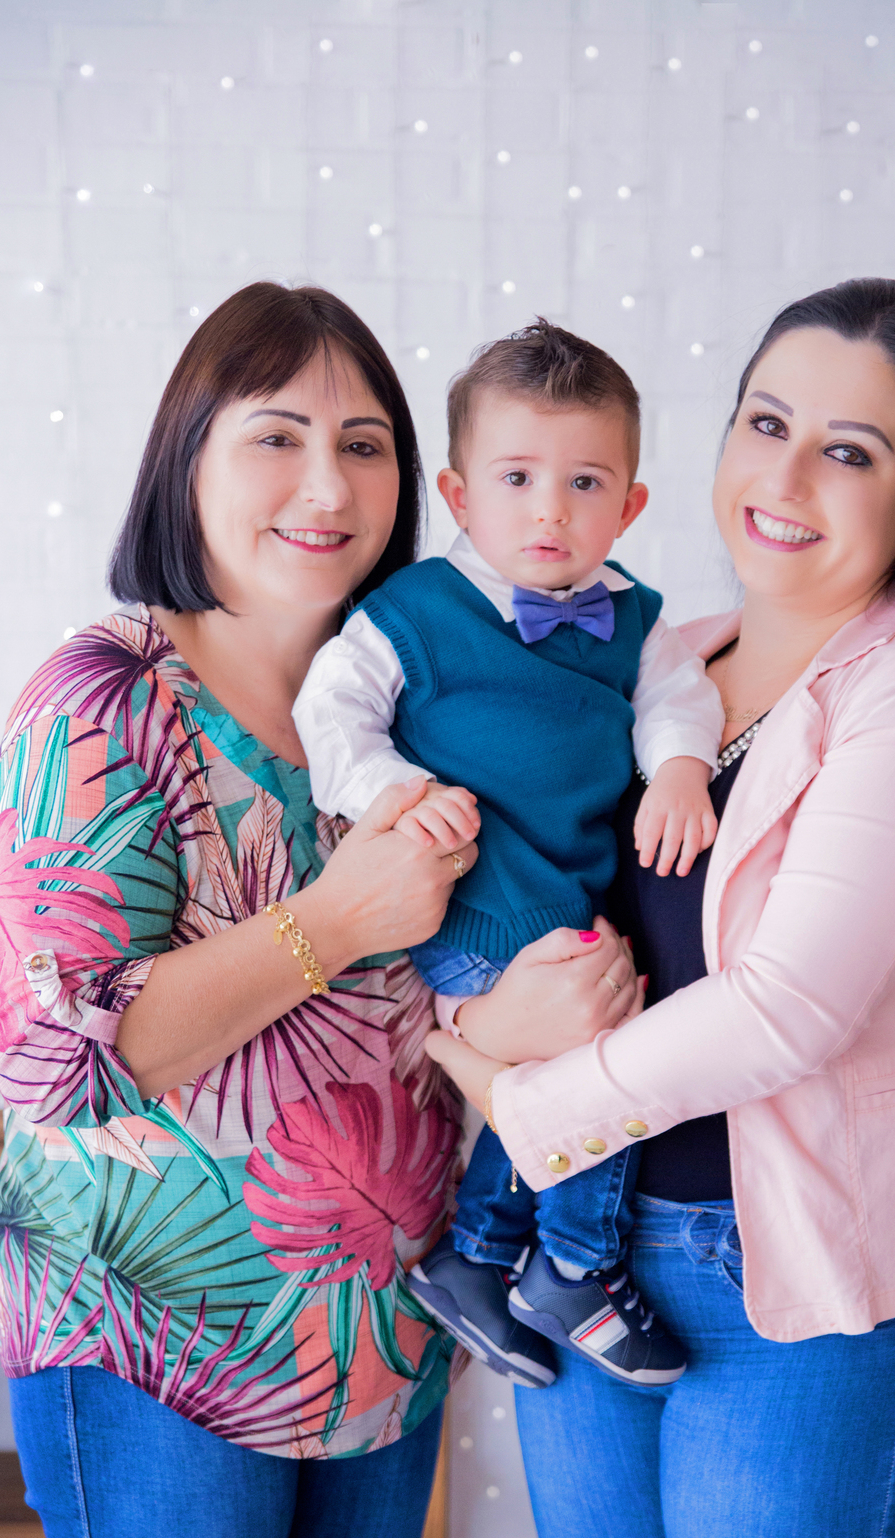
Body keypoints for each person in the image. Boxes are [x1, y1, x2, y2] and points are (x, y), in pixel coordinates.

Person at [0, 281, 636, 1538]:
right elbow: (58, 1066)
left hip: (382, 1320)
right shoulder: (105, 702)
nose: (330, 486)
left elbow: (412, 1007)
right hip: (156, 1332)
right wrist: (329, 921)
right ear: (186, 460)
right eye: (278, 439)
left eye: (367, 443)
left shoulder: (406, 709)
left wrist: (494, 1030)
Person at [427, 278, 895, 1538]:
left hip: (815, 1305)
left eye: (848, 449)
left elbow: (788, 1013)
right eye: (766, 422)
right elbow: (496, 896)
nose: (782, 475)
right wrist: (467, 1022)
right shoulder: (652, 664)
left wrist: (513, 1090)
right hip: (596, 1259)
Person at [293, 320, 723, 1392]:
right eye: (518, 477)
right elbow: (331, 712)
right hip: (475, 895)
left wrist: (677, 767)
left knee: (561, 1060)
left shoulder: (637, 621)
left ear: (628, 506)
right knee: (599, 1070)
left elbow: (681, 700)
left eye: (585, 483)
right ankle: (576, 1265)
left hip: (568, 894)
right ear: (458, 493)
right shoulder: (413, 614)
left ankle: (479, 1258)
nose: (550, 509)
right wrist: (394, 792)